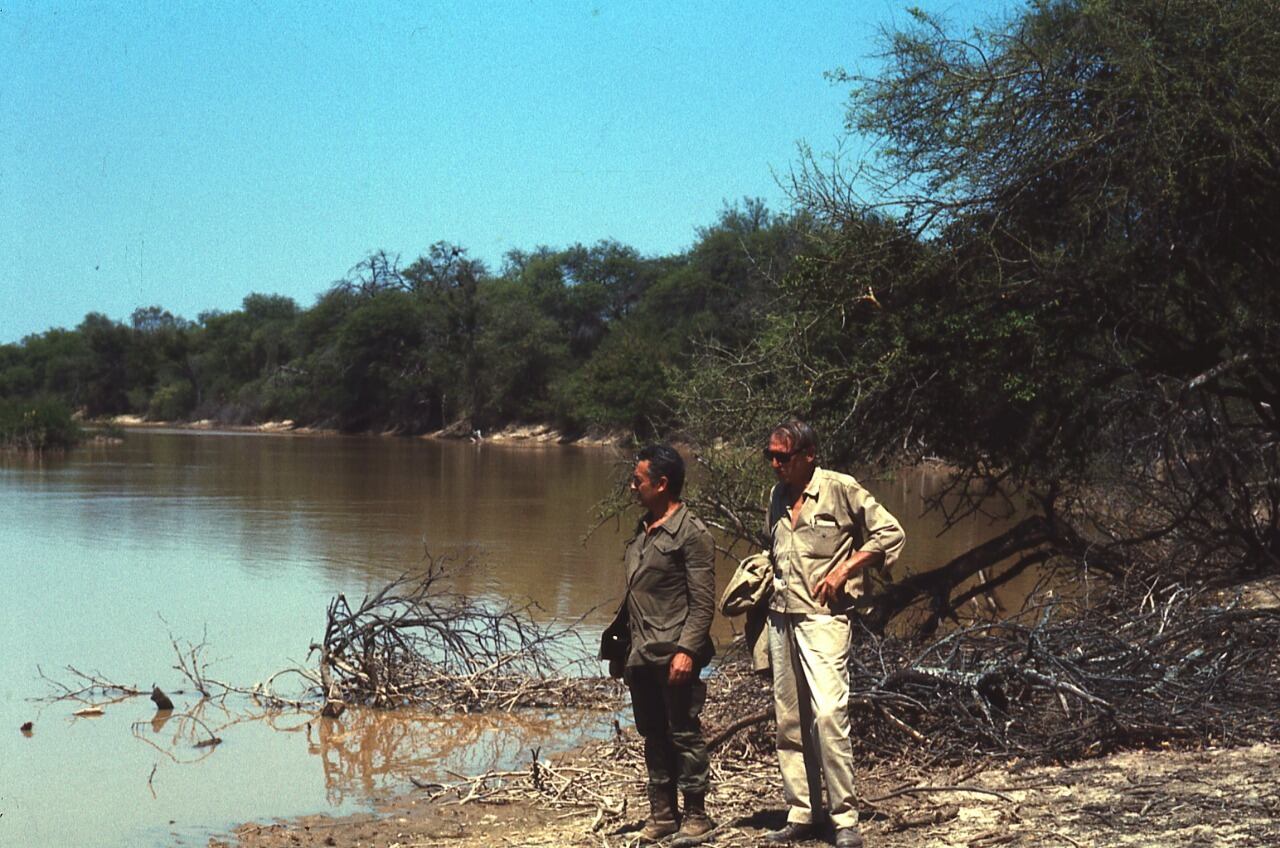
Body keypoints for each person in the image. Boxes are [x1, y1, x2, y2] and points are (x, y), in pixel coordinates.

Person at [761, 420, 905, 848]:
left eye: (782, 457)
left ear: (808, 456)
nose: (774, 464)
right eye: (769, 455)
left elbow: (890, 533)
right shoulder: (776, 496)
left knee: (828, 715)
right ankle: (803, 811)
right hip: (781, 617)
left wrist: (846, 569)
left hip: (825, 621)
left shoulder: (840, 488)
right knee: (789, 719)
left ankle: (845, 819)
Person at [600, 444, 717, 844]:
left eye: (638, 481)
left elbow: (703, 603)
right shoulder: (644, 529)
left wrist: (687, 651)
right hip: (642, 653)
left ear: (662, 484)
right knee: (653, 734)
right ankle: (663, 815)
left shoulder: (692, 533)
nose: (632, 488)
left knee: (682, 731)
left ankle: (697, 817)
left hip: (674, 653)